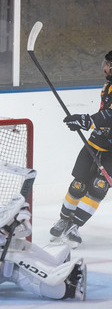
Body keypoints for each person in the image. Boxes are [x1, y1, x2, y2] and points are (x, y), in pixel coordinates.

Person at [50, 50, 112, 246]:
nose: (105, 68)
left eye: (108, 64)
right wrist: (87, 122)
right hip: (95, 144)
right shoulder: (108, 85)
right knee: (79, 184)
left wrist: (87, 121)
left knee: (98, 188)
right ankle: (64, 219)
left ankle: (74, 226)